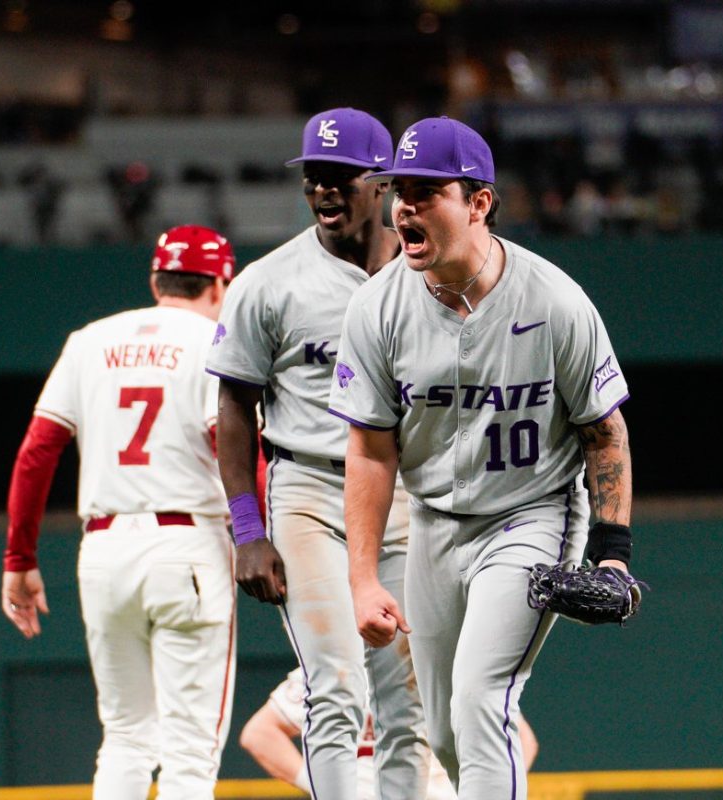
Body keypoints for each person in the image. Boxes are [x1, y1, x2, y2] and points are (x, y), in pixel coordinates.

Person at [328, 117, 635, 800]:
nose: (403, 205)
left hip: (533, 515)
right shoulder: (377, 308)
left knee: (480, 698)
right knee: (442, 730)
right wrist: (362, 577)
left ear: (479, 202)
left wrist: (612, 553)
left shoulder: (554, 301)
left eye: (426, 191)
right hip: (434, 523)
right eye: (398, 190)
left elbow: (603, 431)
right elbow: (370, 451)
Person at [206, 108, 429, 799]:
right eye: (313, 179)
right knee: (335, 684)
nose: (324, 191)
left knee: (409, 700)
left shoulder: (431, 275)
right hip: (309, 493)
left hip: (407, 495)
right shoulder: (268, 283)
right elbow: (234, 408)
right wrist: (248, 530)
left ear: (382, 182)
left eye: (340, 177)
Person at [1, 225, 239, 799]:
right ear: (220, 281)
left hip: (103, 551)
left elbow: (38, 451)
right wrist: (265, 532)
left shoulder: (90, 340)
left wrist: (19, 557)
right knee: (189, 752)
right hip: (187, 546)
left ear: (156, 279)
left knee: (127, 737)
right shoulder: (214, 340)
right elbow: (229, 448)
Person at [240, 668, 539, 799]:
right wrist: (325, 787)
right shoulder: (335, 668)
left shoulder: (443, 665)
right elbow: (260, 733)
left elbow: (521, 740)